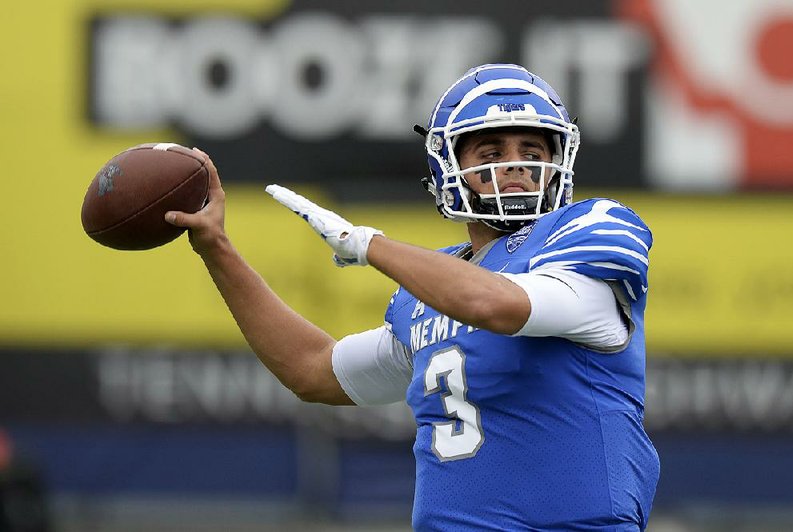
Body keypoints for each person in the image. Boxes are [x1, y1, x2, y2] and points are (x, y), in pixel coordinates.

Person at [165, 63, 660, 530]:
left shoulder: (587, 232)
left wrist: (368, 246)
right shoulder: (429, 291)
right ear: (448, 166)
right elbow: (313, 369)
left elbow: (498, 305)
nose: (515, 166)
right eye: (491, 154)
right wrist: (217, 248)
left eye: (531, 152)